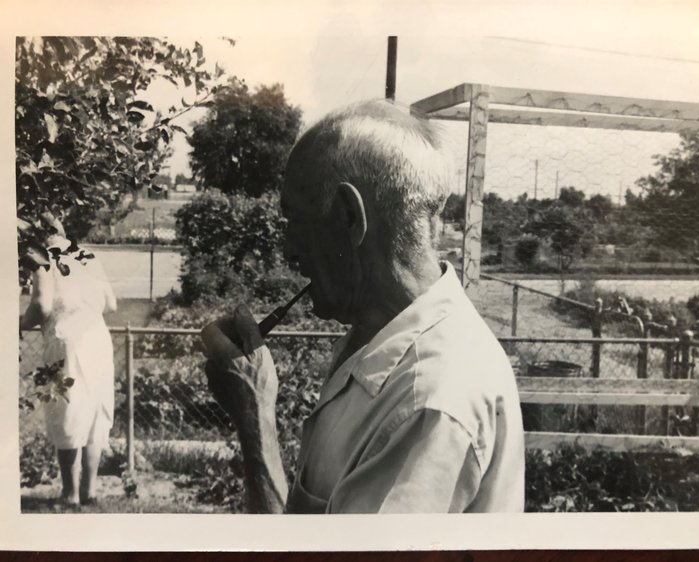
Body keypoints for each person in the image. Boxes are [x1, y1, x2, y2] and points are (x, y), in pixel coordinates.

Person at [201, 100, 525, 513]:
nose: (287, 249)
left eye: (293, 219)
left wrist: (255, 418)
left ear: (349, 216)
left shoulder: (427, 398)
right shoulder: (380, 340)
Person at [20, 214, 117, 507]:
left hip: (66, 343)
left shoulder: (40, 258)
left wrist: (21, 323)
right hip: (98, 341)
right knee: (93, 415)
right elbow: (111, 305)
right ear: (62, 231)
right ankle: (89, 491)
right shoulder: (85, 256)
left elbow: (41, 305)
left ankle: (70, 493)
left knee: (67, 413)